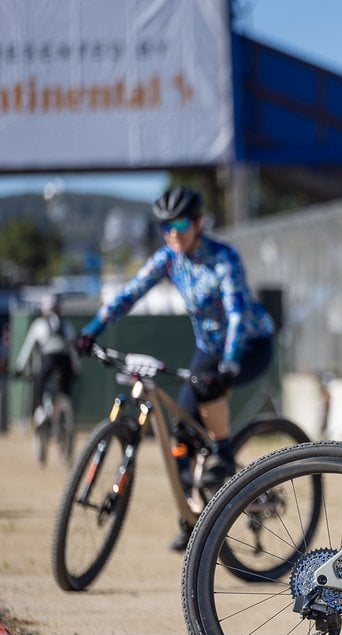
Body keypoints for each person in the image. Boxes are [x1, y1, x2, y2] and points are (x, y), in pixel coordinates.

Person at [75, 187, 277, 551]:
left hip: (248, 344)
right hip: (208, 348)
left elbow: (236, 314)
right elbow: (129, 293)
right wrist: (91, 330)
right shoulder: (169, 258)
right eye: (165, 226)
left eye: (181, 224)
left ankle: (223, 451)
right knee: (180, 428)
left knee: (209, 391)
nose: (173, 233)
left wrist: (230, 364)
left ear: (198, 223)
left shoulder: (223, 258)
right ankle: (193, 519)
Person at [13, 293, 80, 426]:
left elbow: (28, 348)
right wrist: (77, 367)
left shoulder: (38, 325)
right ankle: (63, 416)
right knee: (64, 390)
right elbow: (74, 349)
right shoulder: (66, 325)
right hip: (65, 361)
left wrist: (19, 367)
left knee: (39, 381)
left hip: (48, 360)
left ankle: (40, 411)